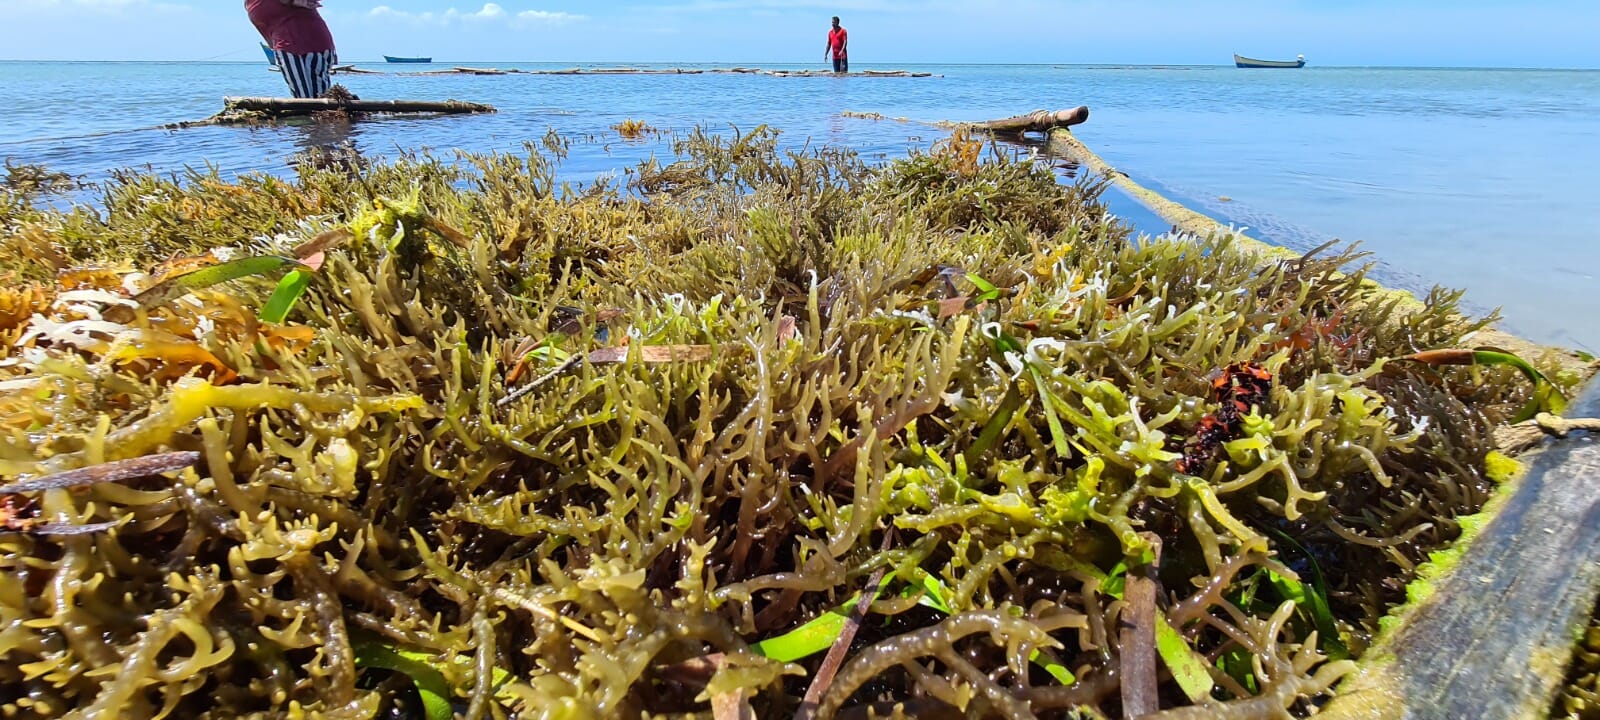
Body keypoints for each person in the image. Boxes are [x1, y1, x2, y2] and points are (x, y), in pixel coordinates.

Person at [247, 0, 337, 98]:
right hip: (286, 45)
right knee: (305, 96)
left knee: (314, 97)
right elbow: (265, 29)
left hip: (313, 42)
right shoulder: (250, 4)